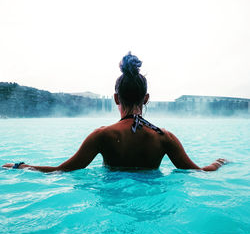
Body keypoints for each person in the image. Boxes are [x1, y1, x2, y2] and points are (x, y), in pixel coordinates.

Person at [2, 52, 227, 173]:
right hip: (151, 206)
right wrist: (218, 162)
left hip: (114, 207)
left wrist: (19, 166)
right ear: (146, 99)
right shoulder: (165, 138)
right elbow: (200, 172)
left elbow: (60, 171)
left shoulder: (103, 135)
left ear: (116, 98)